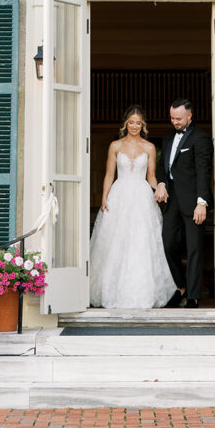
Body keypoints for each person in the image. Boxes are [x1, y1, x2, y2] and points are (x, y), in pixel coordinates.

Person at [89, 105, 178, 309]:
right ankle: (111, 291)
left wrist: (160, 190)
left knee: (140, 243)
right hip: (119, 195)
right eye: (132, 122)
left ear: (143, 125)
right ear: (125, 124)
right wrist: (104, 197)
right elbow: (109, 175)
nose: (135, 126)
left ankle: (141, 293)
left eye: (139, 123)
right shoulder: (115, 146)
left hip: (141, 196)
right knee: (115, 242)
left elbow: (152, 177)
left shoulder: (149, 147)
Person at [154, 98, 213, 308]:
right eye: (171, 118)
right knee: (168, 243)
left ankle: (194, 297)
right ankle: (181, 288)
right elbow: (162, 166)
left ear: (190, 115)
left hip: (194, 202)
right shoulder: (168, 136)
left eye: (178, 118)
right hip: (172, 202)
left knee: (194, 248)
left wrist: (202, 203)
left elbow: (203, 172)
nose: (175, 122)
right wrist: (160, 183)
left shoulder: (201, 138)